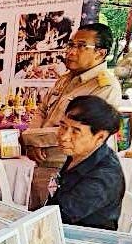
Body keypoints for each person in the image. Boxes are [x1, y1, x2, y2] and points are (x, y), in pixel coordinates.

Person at [23, 22, 122, 208]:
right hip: (43, 161)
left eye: (81, 46)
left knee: (57, 218)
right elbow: (42, 110)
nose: (71, 52)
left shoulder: (105, 87)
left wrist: (33, 139)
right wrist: (32, 142)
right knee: (36, 217)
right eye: (71, 45)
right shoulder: (66, 79)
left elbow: (81, 131)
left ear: (100, 53)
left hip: (68, 166)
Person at [45, 96, 125, 230]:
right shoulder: (78, 154)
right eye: (63, 127)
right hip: (59, 230)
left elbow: (59, 217)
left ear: (100, 136)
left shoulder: (105, 175)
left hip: (85, 239)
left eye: (75, 131)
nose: (64, 136)